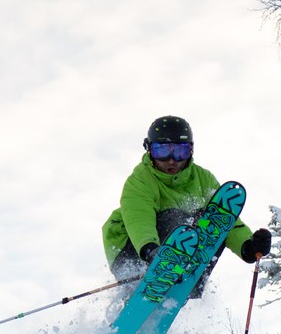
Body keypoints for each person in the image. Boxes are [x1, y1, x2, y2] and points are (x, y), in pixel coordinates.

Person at [102, 115, 271, 297]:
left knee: (210, 225)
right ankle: (154, 280)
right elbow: (138, 218)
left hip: (174, 251)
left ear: (191, 150)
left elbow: (224, 218)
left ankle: (188, 281)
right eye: (162, 151)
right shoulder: (140, 181)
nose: (172, 160)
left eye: (180, 151)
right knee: (179, 222)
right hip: (132, 248)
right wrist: (150, 249)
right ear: (149, 150)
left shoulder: (202, 179)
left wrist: (247, 246)